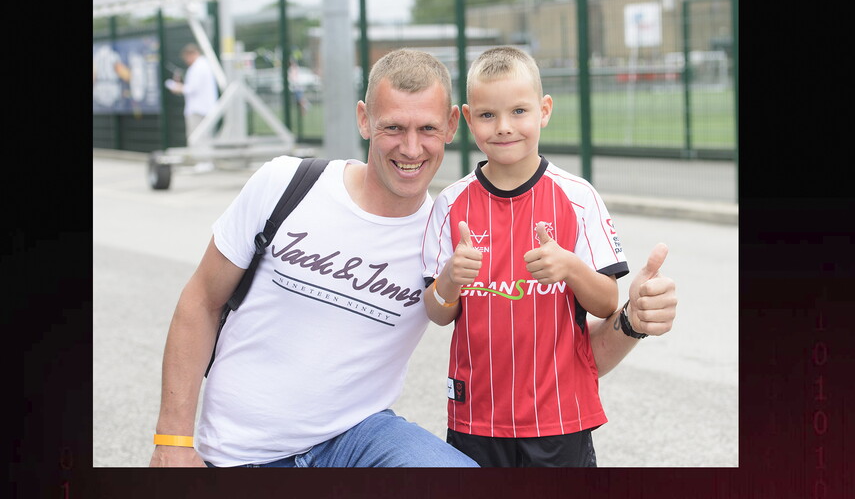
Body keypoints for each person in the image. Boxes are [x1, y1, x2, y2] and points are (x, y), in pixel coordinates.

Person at [149, 48, 677, 468]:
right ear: (363, 119)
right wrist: (172, 439)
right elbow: (199, 300)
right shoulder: (286, 183)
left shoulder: (442, 225)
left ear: (450, 125)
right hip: (242, 454)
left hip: (358, 440)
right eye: (392, 127)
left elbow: (556, 353)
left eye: (426, 128)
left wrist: (631, 321)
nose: (410, 147)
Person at [421, 46, 674, 467]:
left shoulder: (577, 198)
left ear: (544, 110)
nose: (503, 127)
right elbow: (437, 312)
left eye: (519, 111)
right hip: (475, 418)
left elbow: (607, 303)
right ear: (466, 118)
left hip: (560, 417)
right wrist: (450, 279)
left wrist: (571, 268)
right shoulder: (449, 204)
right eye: (487, 115)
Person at [165, 43, 219, 150]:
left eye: (186, 58)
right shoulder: (204, 65)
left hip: (198, 109)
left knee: (197, 136)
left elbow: (191, 88)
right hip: (205, 107)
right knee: (204, 136)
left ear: (192, 54)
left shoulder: (197, 67)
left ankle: (202, 162)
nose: (186, 61)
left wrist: (178, 87)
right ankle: (204, 161)